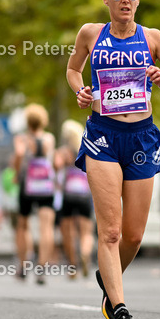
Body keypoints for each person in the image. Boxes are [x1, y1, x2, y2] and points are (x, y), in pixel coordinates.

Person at [66, 0, 160, 319]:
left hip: (141, 138)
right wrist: (80, 91)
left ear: (139, 0)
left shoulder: (152, 38)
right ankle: (118, 308)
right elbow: (73, 71)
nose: (125, 0)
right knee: (111, 232)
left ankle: (108, 278)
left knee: (134, 236)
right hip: (102, 135)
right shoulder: (90, 33)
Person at [13, 103, 56, 283]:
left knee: (23, 225)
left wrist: (16, 173)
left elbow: (18, 155)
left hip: (27, 185)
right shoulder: (50, 139)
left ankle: (23, 265)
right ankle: (42, 267)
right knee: (46, 226)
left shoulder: (21, 139)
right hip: (45, 185)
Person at [55, 119, 94, 278]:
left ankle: (72, 266)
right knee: (86, 232)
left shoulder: (64, 151)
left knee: (68, 232)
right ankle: (85, 254)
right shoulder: (87, 146)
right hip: (85, 193)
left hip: (68, 194)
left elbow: (56, 166)